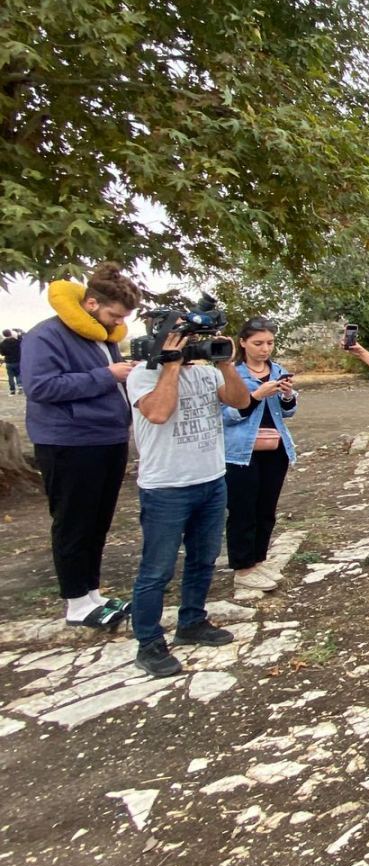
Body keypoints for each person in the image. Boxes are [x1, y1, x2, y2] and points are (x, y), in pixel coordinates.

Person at [21, 264, 142, 629]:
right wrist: (107, 376)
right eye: (113, 315)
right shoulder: (46, 336)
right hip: (68, 442)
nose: (116, 323)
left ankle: (92, 594)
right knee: (74, 522)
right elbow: (41, 387)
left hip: (107, 438)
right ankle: (76, 603)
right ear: (91, 303)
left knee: (97, 520)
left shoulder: (100, 337)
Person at [128, 327, 252, 677]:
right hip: (166, 487)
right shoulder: (142, 375)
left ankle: (192, 621)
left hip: (211, 480)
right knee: (156, 570)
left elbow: (241, 402)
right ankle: (149, 643)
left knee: (203, 559)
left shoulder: (207, 373)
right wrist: (170, 366)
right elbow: (157, 413)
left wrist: (226, 365)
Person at [223, 317, 298, 592]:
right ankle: (243, 567)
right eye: (258, 343)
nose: (265, 349)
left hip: (275, 449)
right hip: (241, 451)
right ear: (243, 343)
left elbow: (288, 412)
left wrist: (288, 396)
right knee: (243, 510)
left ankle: (259, 559)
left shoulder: (277, 370)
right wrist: (256, 395)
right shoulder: (232, 374)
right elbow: (227, 416)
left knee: (266, 508)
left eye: (269, 343)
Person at [1, 328, 21, 395]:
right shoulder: (17, 341)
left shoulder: (2, 343)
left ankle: (12, 390)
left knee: (10, 376)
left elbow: (2, 353)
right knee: (18, 374)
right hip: (17, 360)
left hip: (9, 362)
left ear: (4, 335)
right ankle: (20, 386)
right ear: (10, 333)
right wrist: (19, 334)